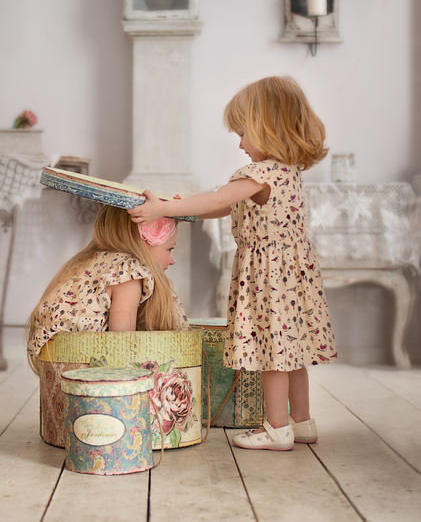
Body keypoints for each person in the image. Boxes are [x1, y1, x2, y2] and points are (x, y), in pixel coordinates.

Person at [129, 76, 337, 451]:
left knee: (273, 354)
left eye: (243, 133)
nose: (240, 144)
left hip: (268, 279)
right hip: (292, 278)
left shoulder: (258, 174)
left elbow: (217, 199)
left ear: (268, 127)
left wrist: (162, 208)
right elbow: (223, 207)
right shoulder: (288, 173)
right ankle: (302, 422)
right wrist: (178, 209)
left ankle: (277, 428)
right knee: (292, 353)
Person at [26, 204, 190, 374]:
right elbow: (121, 343)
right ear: (143, 242)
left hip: (53, 364)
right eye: (170, 249)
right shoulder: (128, 272)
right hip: (85, 368)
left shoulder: (89, 261)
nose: (172, 260)